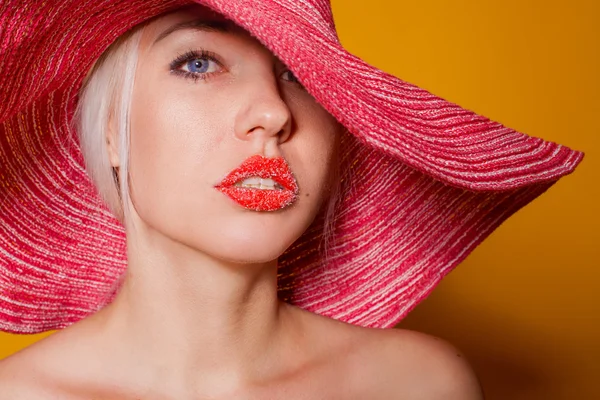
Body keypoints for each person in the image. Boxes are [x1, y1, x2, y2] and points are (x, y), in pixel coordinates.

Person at [0, 1, 582, 398]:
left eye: (300, 76)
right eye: (198, 63)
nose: (274, 114)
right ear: (108, 132)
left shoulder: (417, 384)